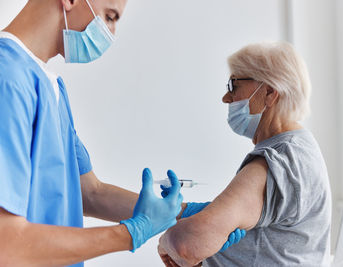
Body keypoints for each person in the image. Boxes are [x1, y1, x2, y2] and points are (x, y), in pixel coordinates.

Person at [0, 0, 241, 266]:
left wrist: (183, 214)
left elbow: (90, 193)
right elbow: (7, 243)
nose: (110, 34)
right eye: (110, 16)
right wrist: (130, 233)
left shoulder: (50, 87)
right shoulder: (7, 80)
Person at [158, 41, 332, 267]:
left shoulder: (277, 160)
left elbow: (186, 245)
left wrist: (166, 240)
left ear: (269, 92)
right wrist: (184, 212)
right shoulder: (301, 146)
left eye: (233, 85)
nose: (226, 98)